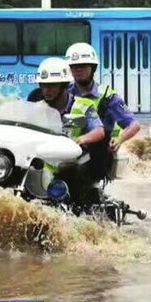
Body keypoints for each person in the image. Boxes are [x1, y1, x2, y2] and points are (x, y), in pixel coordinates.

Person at [36, 57, 105, 208]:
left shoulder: (83, 106)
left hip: (73, 162)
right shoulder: (37, 107)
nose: (46, 90)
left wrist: (81, 139)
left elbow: (99, 131)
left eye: (52, 86)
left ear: (64, 85)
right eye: (43, 85)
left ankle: (80, 211)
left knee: (74, 173)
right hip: (43, 163)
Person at [64, 42, 141, 178]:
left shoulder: (108, 97)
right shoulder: (65, 93)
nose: (78, 70)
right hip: (69, 149)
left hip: (97, 154)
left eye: (83, 66)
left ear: (93, 68)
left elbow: (134, 124)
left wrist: (119, 140)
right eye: (74, 67)